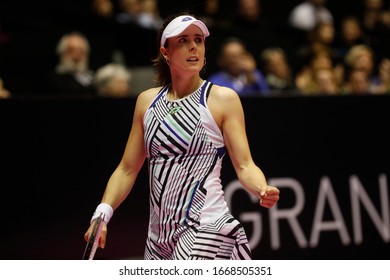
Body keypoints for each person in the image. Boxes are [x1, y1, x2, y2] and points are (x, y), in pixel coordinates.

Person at [84, 14, 280, 260]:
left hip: (206, 228)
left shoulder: (222, 99)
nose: (193, 46)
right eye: (183, 40)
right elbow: (126, 169)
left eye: (198, 40)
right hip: (158, 239)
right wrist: (102, 214)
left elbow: (245, 165)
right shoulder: (147, 102)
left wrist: (262, 188)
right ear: (165, 52)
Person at [47, 31, 96, 97]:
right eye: (71, 50)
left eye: (81, 50)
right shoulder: (53, 80)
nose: (77, 56)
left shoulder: (95, 79)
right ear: (62, 53)